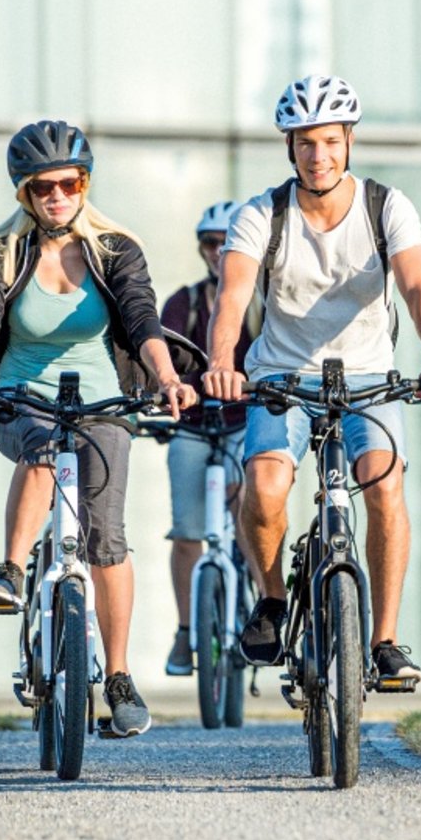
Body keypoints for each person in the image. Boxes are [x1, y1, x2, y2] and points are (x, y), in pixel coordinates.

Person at [201, 75, 421, 688]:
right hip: (281, 376)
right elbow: (232, 296)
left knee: (384, 485)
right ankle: (271, 598)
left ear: (349, 141)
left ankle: (386, 642)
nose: (319, 156)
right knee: (264, 486)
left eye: (330, 142)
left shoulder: (386, 207)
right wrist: (222, 363)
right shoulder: (262, 214)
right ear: (289, 148)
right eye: (305, 144)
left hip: (367, 375)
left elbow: (418, 287)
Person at [0, 119, 196, 738]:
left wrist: (166, 379)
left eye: (70, 182)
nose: (58, 196)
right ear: (23, 194)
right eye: (43, 187)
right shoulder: (1, 252)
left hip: (102, 401)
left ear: (85, 184)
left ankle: (119, 677)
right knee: (43, 454)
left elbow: (141, 322)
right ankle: (10, 570)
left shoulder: (115, 251)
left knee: (107, 539)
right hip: (21, 396)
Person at [158, 201, 252, 676]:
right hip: (193, 427)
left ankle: (261, 609)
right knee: (187, 531)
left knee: (255, 509)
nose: (219, 253)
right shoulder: (185, 303)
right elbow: (162, 361)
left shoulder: (260, 304)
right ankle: (185, 630)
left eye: (227, 243)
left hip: (244, 424)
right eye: (211, 244)